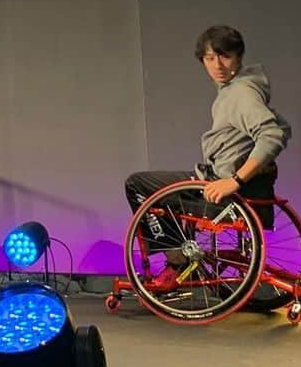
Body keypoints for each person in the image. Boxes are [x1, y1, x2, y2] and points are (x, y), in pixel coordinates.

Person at [123, 25, 291, 289]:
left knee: (138, 184)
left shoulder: (240, 93)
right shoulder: (239, 89)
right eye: (210, 58)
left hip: (223, 189)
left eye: (224, 56)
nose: (217, 65)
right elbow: (283, 126)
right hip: (229, 184)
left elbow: (272, 134)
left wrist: (235, 180)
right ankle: (180, 260)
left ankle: (178, 263)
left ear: (239, 56)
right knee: (168, 190)